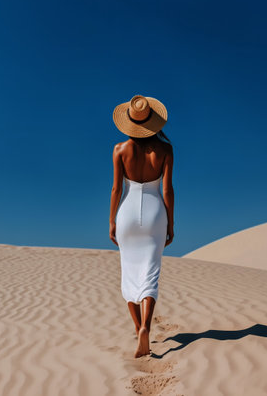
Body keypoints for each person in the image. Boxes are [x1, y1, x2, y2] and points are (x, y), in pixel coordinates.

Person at [109, 94, 174, 358]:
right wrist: (171, 221)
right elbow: (167, 190)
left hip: (127, 214)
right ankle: (147, 326)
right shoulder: (165, 150)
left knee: (129, 273)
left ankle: (138, 329)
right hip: (155, 213)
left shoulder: (119, 150)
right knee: (150, 273)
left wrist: (112, 220)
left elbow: (115, 189)